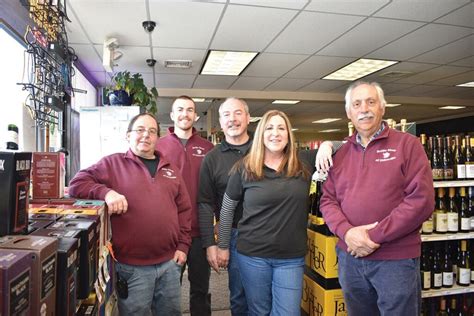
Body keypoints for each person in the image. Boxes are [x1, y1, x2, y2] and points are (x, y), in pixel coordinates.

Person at [320, 81, 434, 316]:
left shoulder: (407, 145)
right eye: (357, 104)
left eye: (371, 102)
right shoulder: (339, 154)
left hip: (395, 260)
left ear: (382, 107)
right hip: (350, 257)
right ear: (349, 113)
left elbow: (421, 201)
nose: (364, 109)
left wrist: (372, 236)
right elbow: (327, 200)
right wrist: (348, 233)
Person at [68, 113, 192, 316]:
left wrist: (183, 246)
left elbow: (185, 210)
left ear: (157, 138)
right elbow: (77, 184)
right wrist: (106, 192)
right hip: (132, 268)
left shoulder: (171, 169)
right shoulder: (112, 164)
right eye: (140, 130)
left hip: (170, 263)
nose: (146, 135)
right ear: (128, 136)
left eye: (152, 131)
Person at [214, 109, 335, 315]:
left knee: (288, 312)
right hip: (252, 256)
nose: (275, 133)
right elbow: (227, 210)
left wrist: (328, 145)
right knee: (259, 311)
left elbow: (350, 146)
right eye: (269, 128)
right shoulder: (245, 167)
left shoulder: (304, 162)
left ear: (289, 134)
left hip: (290, 258)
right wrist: (223, 246)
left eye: (281, 128)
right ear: (261, 134)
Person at [156, 95, 214, 315]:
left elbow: (216, 188)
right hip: (170, 232)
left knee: (200, 290)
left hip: (199, 232)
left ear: (195, 116)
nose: (185, 114)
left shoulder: (208, 148)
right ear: (172, 115)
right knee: (168, 293)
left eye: (190, 110)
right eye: (180, 109)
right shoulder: (158, 147)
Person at [198, 97, 252, 315]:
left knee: (267, 296)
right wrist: (212, 244)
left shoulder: (265, 149)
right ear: (220, 123)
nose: (233, 119)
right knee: (239, 297)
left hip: (269, 233)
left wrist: (327, 145)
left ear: (248, 118)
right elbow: (204, 203)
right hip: (234, 234)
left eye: (238, 113)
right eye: (227, 115)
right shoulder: (212, 159)